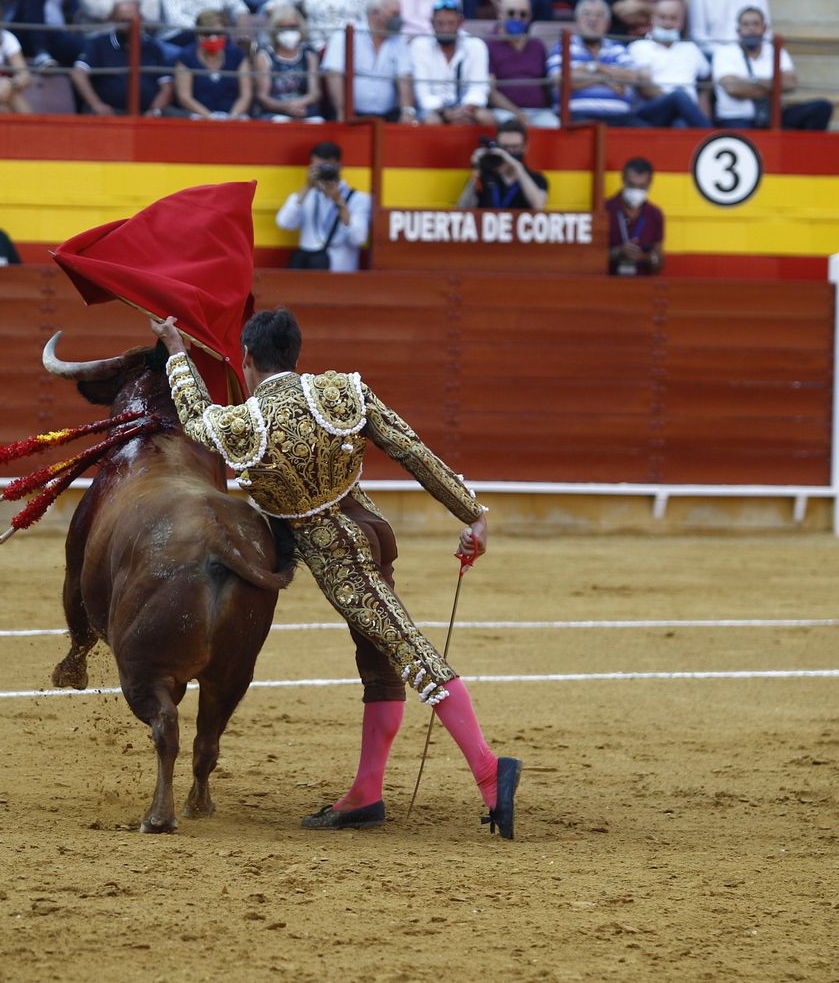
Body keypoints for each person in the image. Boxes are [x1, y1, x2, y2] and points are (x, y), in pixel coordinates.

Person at [153, 307, 521, 838]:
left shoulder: (244, 422)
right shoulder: (340, 390)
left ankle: (490, 771)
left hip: (338, 555)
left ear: (248, 360)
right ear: (296, 356)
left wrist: (178, 354)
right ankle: (366, 795)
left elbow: (193, 418)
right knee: (381, 663)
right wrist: (472, 513)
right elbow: (410, 448)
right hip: (370, 525)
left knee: (410, 652)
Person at [711, 6, 832, 130]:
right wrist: (773, 86)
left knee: (822, 108)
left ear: (764, 28)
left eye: (756, 24)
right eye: (746, 24)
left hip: (774, 117)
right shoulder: (725, 52)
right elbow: (733, 87)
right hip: (738, 118)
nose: (751, 28)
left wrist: (750, 84)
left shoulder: (776, 50)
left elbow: (791, 83)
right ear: (738, 30)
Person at [547, 0, 646, 126]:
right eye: (586, 14)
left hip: (620, 118)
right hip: (577, 116)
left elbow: (632, 77)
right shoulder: (563, 46)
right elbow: (561, 79)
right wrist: (605, 79)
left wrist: (596, 68)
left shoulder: (617, 48)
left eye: (599, 15)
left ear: (607, 23)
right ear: (577, 20)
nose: (593, 20)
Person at [321, 0, 416, 121]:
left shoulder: (399, 40)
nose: (399, 19)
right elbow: (333, 73)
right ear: (375, 13)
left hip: (388, 117)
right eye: (395, 14)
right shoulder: (346, 34)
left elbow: (405, 76)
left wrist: (407, 111)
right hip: (350, 115)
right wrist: (341, 110)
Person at [276, 141, 371, 270]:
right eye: (318, 168)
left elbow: (358, 238)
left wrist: (339, 202)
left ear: (339, 166)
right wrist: (307, 186)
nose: (324, 172)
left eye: (327, 167)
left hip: (339, 270)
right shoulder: (306, 195)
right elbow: (284, 223)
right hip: (308, 268)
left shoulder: (358, 198)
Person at [72, 0, 176, 114]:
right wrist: (96, 105)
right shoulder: (98, 44)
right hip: (110, 115)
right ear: (114, 21)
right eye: (123, 21)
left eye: (132, 20)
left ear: (141, 19)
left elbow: (166, 87)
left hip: (147, 115)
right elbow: (78, 74)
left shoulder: (153, 48)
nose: (129, 25)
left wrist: (154, 111)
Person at [627, 0, 712, 127]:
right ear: (653, 19)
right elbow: (645, 87)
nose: (667, 23)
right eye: (662, 17)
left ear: (682, 23)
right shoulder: (639, 46)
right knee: (679, 95)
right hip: (652, 111)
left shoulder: (691, 48)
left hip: (685, 113)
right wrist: (676, 100)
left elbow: (707, 79)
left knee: (680, 125)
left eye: (673, 18)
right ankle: (713, 136)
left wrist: (701, 103)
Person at [411, 0, 492, 125]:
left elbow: (479, 90)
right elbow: (423, 95)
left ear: (460, 22)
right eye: (440, 24)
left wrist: (464, 110)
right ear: (432, 23)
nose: (445, 29)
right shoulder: (420, 45)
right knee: (432, 121)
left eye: (450, 23)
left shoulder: (476, 45)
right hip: (434, 111)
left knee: (486, 118)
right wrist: (446, 113)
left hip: (467, 109)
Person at [486, 0, 558, 128]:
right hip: (503, 112)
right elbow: (490, 91)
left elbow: (547, 84)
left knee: (554, 125)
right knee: (512, 127)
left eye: (523, 14)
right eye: (511, 13)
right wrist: (519, 114)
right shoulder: (489, 44)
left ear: (529, 17)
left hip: (538, 112)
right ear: (500, 14)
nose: (517, 18)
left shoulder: (537, 45)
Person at [173, 8, 251, 117]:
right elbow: (184, 97)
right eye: (207, 33)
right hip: (199, 117)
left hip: (234, 118)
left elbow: (246, 94)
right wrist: (210, 118)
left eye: (218, 34)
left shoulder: (237, 54)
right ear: (198, 34)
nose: (213, 38)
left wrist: (233, 117)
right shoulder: (186, 56)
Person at [458, 118, 548, 210]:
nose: (509, 152)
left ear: (525, 147)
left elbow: (538, 207)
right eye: (504, 147)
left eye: (515, 147)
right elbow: (462, 209)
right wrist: (477, 169)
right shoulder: (484, 175)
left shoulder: (536, 178)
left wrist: (517, 167)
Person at [253, 4, 323, 121]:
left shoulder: (309, 54)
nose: (289, 32)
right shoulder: (264, 55)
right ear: (275, 30)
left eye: (292, 27)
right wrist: (286, 108)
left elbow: (315, 93)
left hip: (305, 109)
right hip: (275, 111)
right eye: (283, 28)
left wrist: (297, 105)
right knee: (280, 122)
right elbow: (263, 96)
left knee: (317, 123)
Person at [603, 156, 663, 276]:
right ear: (623, 180)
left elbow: (659, 263)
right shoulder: (605, 210)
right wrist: (617, 253)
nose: (636, 191)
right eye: (631, 185)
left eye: (642, 187)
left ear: (650, 184)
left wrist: (648, 258)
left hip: (642, 285)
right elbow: (589, 258)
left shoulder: (655, 215)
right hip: (609, 285)